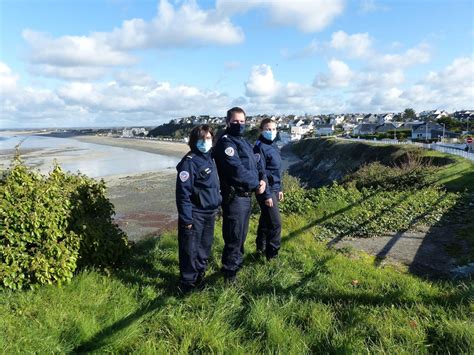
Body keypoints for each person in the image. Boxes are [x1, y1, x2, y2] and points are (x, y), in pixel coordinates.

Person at [213, 107, 269, 283]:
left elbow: (256, 163)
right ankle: (229, 274)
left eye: (242, 121)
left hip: (246, 196)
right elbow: (236, 170)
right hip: (235, 197)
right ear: (228, 122)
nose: (239, 124)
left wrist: (262, 180)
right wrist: (255, 184)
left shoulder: (243, 141)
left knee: (242, 235)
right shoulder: (226, 143)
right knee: (234, 236)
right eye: (235, 121)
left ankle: (237, 265)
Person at [175, 125, 222, 292]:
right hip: (195, 214)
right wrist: (186, 219)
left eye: (208, 138)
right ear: (194, 141)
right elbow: (183, 195)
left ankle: (199, 278)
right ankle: (187, 284)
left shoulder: (210, 159)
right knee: (190, 250)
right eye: (201, 139)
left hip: (210, 213)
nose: (205, 142)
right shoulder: (189, 163)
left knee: (204, 248)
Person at [253, 118, 283, 260]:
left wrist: (280, 188)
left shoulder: (274, 145)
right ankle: (272, 256)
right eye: (268, 129)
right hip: (267, 190)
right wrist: (267, 195)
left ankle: (261, 247)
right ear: (261, 130)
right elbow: (261, 173)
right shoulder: (259, 147)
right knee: (276, 224)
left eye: (274, 129)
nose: (271, 132)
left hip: (275, 188)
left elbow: (276, 170)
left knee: (266, 219)